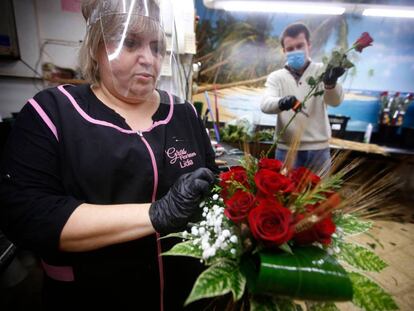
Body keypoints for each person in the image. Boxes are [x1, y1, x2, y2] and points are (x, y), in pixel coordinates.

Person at [0, 0, 218, 310]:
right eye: (130, 43)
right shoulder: (53, 112)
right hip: (93, 296)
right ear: (95, 47)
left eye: (156, 47)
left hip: (185, 294)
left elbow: (214, 191)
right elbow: (28, 214)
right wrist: (156, 214)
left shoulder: (183, 114)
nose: (148, 59)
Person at [261, 22, 344, 172]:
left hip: (319, 150)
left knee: (320, 194)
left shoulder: (323, 71)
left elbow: (335, 101)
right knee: (283, 195)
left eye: (300, 46)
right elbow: (265, 104)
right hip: (286, 150)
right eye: (290, 49)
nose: (296, 51)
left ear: (309, 45)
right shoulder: (276, 77)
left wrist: (330, 84)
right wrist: (283, 102)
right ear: (283, 51)